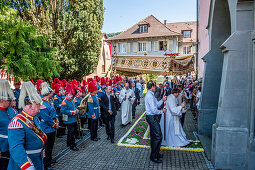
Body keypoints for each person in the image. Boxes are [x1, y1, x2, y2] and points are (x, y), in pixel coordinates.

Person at [8, 81, 47, 170]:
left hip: (37, 160)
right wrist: (27, 166)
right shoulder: (17, 123)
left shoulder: (34, 118)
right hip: (25, 163)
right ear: (30, 106)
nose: (39, 109)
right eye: (38, 105)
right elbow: (16, 148)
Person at [37, 82, 58, 170]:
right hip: (47, 129)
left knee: (50, 146)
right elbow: (46, 118)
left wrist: (57, 121)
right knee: (47, 148)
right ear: (48, 94)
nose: (52, 94)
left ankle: (49, 160)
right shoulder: (43, 104)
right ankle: (46, 165)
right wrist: (54, 124)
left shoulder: (48, 102)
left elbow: (53, 113)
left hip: (51, 128)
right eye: (50, 93)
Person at [145, 81, 167, 163]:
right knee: (158, 136)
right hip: (151, 117)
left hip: (152, 117)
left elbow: (157, 104)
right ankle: (153, 156)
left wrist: (162, 100)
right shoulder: (149, 96)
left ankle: (156, 154)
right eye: (155, 86)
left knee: (155, 136)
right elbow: (154, 110)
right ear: (152, 87)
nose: (156, 88)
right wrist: (162, 111)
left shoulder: (151, 94)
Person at [0, 79, 15, 170]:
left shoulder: (11, 111)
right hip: (2, 148)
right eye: (9, 100)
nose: (10, 102)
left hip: (12, 147)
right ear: (3, 100)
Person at [61, 84, 79, 151]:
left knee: (71, 133)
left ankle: (69, 143)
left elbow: (74, 107)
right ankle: (72, 145)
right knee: (71, 133)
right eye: (70, 95)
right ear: (66, 95)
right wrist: (72, 112)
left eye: (72, 94)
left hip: (73, 119)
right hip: (69, 119)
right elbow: (63, 111)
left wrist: (77, 109)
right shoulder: (64, 102)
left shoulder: (71, 101)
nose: (71, 96)